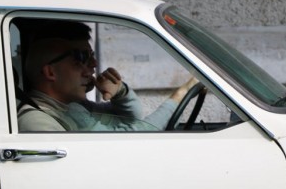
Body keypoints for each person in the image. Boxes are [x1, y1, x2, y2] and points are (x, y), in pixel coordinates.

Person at [18, 21, 197, 132]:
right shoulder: (36, 121)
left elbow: (131, 118)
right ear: (50, 72)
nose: (93, 64)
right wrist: (180, 95)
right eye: (80, 57)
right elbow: (135, 137)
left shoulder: (71, 108)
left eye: (91, 55)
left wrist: (120, 93)